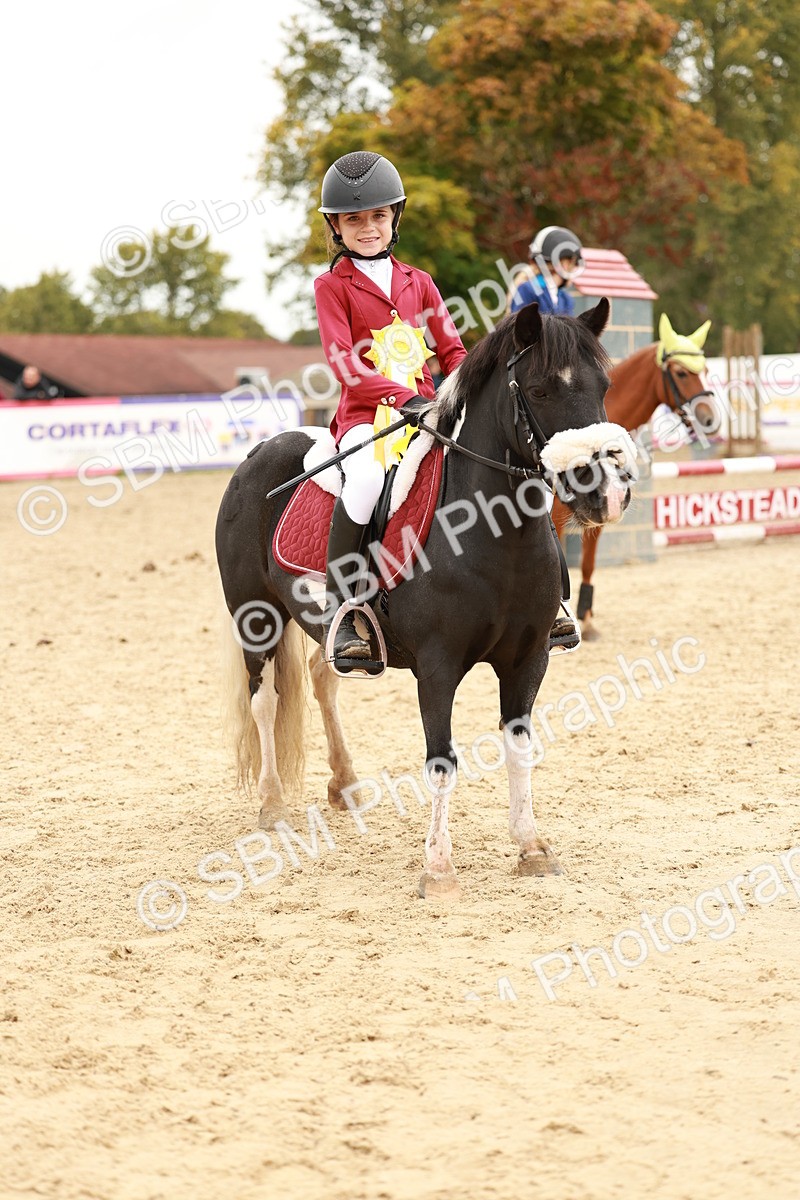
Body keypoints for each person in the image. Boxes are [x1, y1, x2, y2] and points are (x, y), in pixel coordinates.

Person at [314, 151, 467, 664]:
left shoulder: (419, 282)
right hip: (366, 421)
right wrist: (406, 400)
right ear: (337, 226)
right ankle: (347, 611)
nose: (367, 227)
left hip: (429, 412)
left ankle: (542, 595)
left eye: (377, 216)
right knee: (363, 483)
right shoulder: (332, 287)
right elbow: (345, 366)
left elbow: (452, 351)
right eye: (354, 219)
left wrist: (459, 391)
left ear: (394, 218)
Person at [508, 225, 585, 316]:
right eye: (572, 263)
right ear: (564, 264)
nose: (574, 269)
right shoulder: (528, 290)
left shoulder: (566, 299)